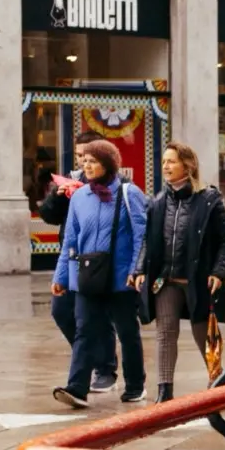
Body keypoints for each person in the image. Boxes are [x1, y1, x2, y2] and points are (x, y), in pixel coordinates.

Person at [51, 139, 148, 408]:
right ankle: (77, 388)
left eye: (93, 161)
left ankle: (135, 386)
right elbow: (70, 240)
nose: (86, 165)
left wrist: (136, 270)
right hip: (88, 276)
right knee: (84, 330)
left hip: (120, 278)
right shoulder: (80, 196)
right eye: (85, 161)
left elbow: (142, 236)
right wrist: (60, 277)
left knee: (128, 332)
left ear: (107, 164)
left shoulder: (130, 193)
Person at [133, 141, 225, 402]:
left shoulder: (209, 200)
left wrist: (219, 272)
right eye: (164, 161)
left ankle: (218, 382)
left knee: (205, 335)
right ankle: (164, 391)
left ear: (187, 165)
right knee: (165, 334)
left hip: (198, 280)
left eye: (172, 161)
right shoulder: (157, 202)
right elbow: (147, 240)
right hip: (166, 280)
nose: (166, 166)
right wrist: (141, 268)